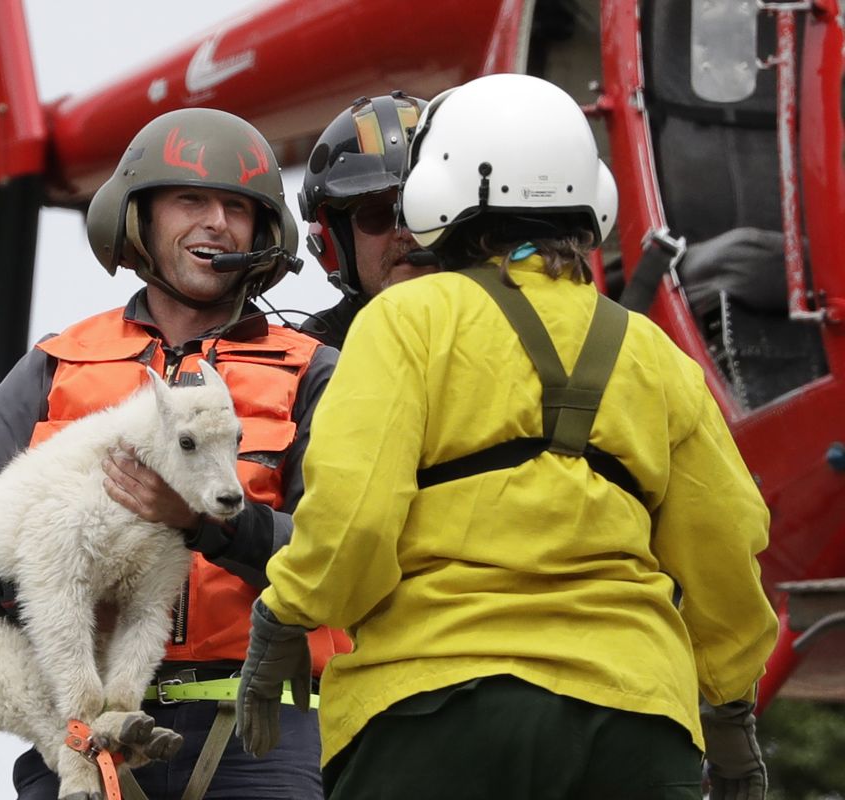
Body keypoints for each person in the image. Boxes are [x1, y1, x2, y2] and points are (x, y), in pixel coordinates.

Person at [235, 74, 779, 800]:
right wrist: (733, 713)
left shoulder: (407, 321)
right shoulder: (654, 354)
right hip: (634, 721)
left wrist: (282, 618)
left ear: (438, 189)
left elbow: (353, 521)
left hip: (432, 711)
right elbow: (725, 546)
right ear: (592, 198)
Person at [0, 107, 349, 800]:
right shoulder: (57, 364)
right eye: (189, 200)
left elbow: (345, 556)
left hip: (260, 735)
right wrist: (37, 589)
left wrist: (205, 523)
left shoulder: (313, 371)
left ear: (263, 233)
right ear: (140, 218)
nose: (216, 222)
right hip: (80, 738)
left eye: (237, 207)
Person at [297, 92, 438, 348]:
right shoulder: (306, 364)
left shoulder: (509, 331)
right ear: (334, 240)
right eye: (377, 216)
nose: (405, 233)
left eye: (422, 209)